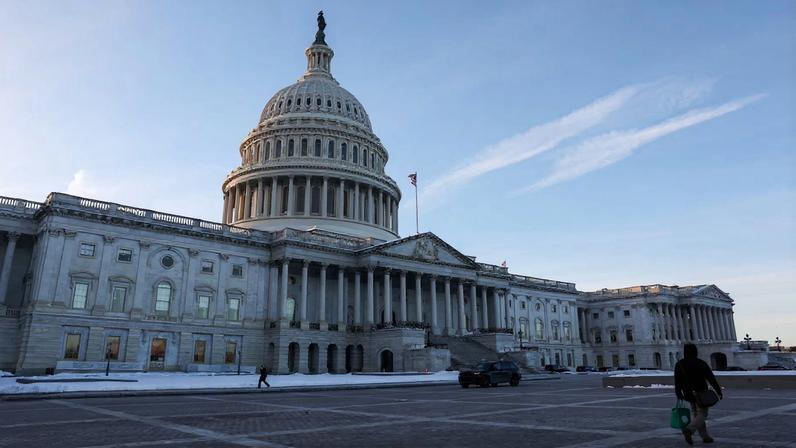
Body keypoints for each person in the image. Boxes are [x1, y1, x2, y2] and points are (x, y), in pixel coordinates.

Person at [674, 343, 723, 445]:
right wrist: (718, 390)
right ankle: (689, 430)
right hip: (701, 392)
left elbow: (677, 381)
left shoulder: (679, 364)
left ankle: (705, 436)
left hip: (688, 393)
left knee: (697, 414)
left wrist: (678, 393)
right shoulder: (700, 363)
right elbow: (711, 378)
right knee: (703, 414)